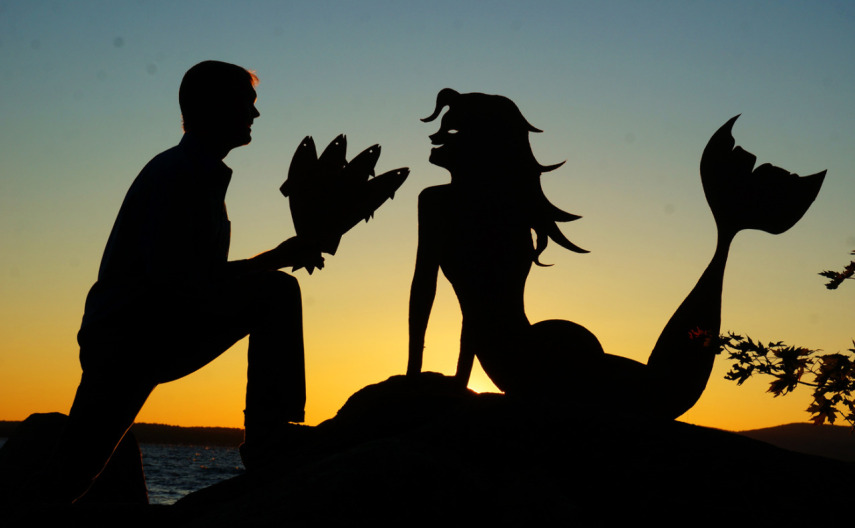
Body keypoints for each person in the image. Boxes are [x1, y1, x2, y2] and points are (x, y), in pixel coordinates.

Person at [407, 88, 825, 419]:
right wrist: (458, 384)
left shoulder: (443, 204)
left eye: (453, 133)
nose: (437, 138)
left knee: (662, 391)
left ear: (482, 145)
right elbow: (476, 309)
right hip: (539, 354)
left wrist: (422, 378)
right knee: (660, 391)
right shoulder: (499, 212)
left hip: (539, 361)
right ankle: (727, 240)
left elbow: (442, 297)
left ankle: (726, 242)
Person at [49, 60, 323, 503]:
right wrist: (273, 260)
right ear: (213, 107)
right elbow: (181, 282)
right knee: (276, 291)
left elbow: (193, 279)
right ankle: (269, 439)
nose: (255, 115)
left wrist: (273, 258)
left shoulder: (195, 173)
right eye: (246, 104)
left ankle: (270, 436)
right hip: (134, 337)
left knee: (72, 473)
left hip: (142, 333)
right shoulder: (179, 175)